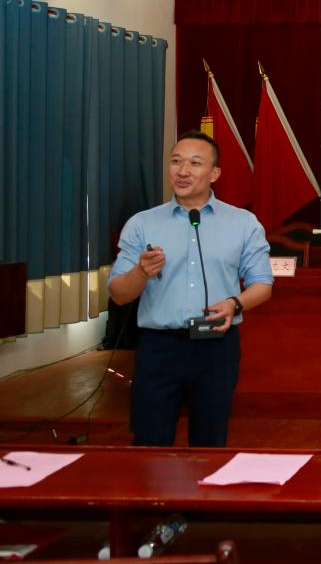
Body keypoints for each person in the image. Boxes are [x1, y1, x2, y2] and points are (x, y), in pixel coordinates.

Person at [108, 131, 273, 447]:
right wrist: (141, 272)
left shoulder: (243, 223)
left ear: (214, 173)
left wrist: (234, 304)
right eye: (176, 162)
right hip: (159, 349)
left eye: (195, 163)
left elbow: (263, 284)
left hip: (216, 347)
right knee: (149, 443)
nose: (182, 171)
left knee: (209, 442)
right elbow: (119, 293)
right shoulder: (142, 224)